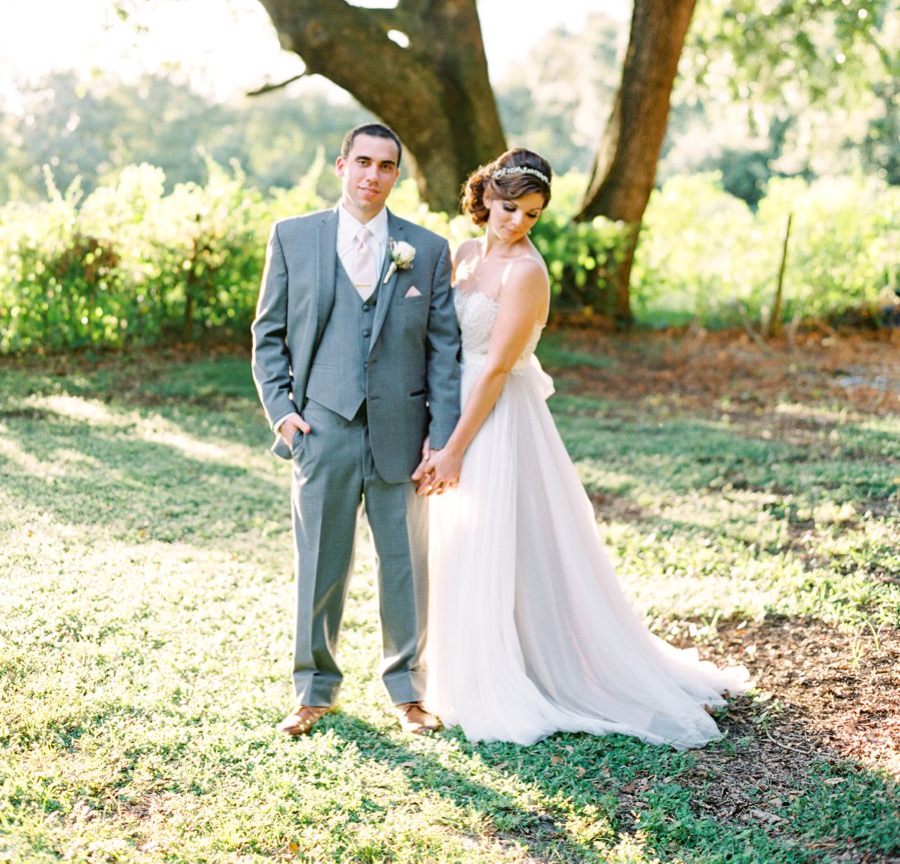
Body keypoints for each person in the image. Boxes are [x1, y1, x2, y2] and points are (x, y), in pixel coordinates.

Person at [412, 148, 748, 747]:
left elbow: (494, 371)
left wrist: (457, 446)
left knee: (495, 537)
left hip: (494, 418)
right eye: (511, 208)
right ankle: (454, 668)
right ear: (486, 196)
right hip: (450, 404)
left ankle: (507, 672)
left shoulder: (528, 274)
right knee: (457, 537)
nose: (517, 223)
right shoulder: (462, 253)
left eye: (533, 215)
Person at [252, 123, 460, 737]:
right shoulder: (293, 237)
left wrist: (441, 435)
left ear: (398, 175)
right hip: (322, 427)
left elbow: (444, 350)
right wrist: (281, 410)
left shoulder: (426, 248)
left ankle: (408, 693)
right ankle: (313, 690)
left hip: (403, 431)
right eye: (363, 162)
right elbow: (267, 335)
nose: (374, 175)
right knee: (320, 563)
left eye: (387, 166)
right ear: (341, 166)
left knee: (405, 567)